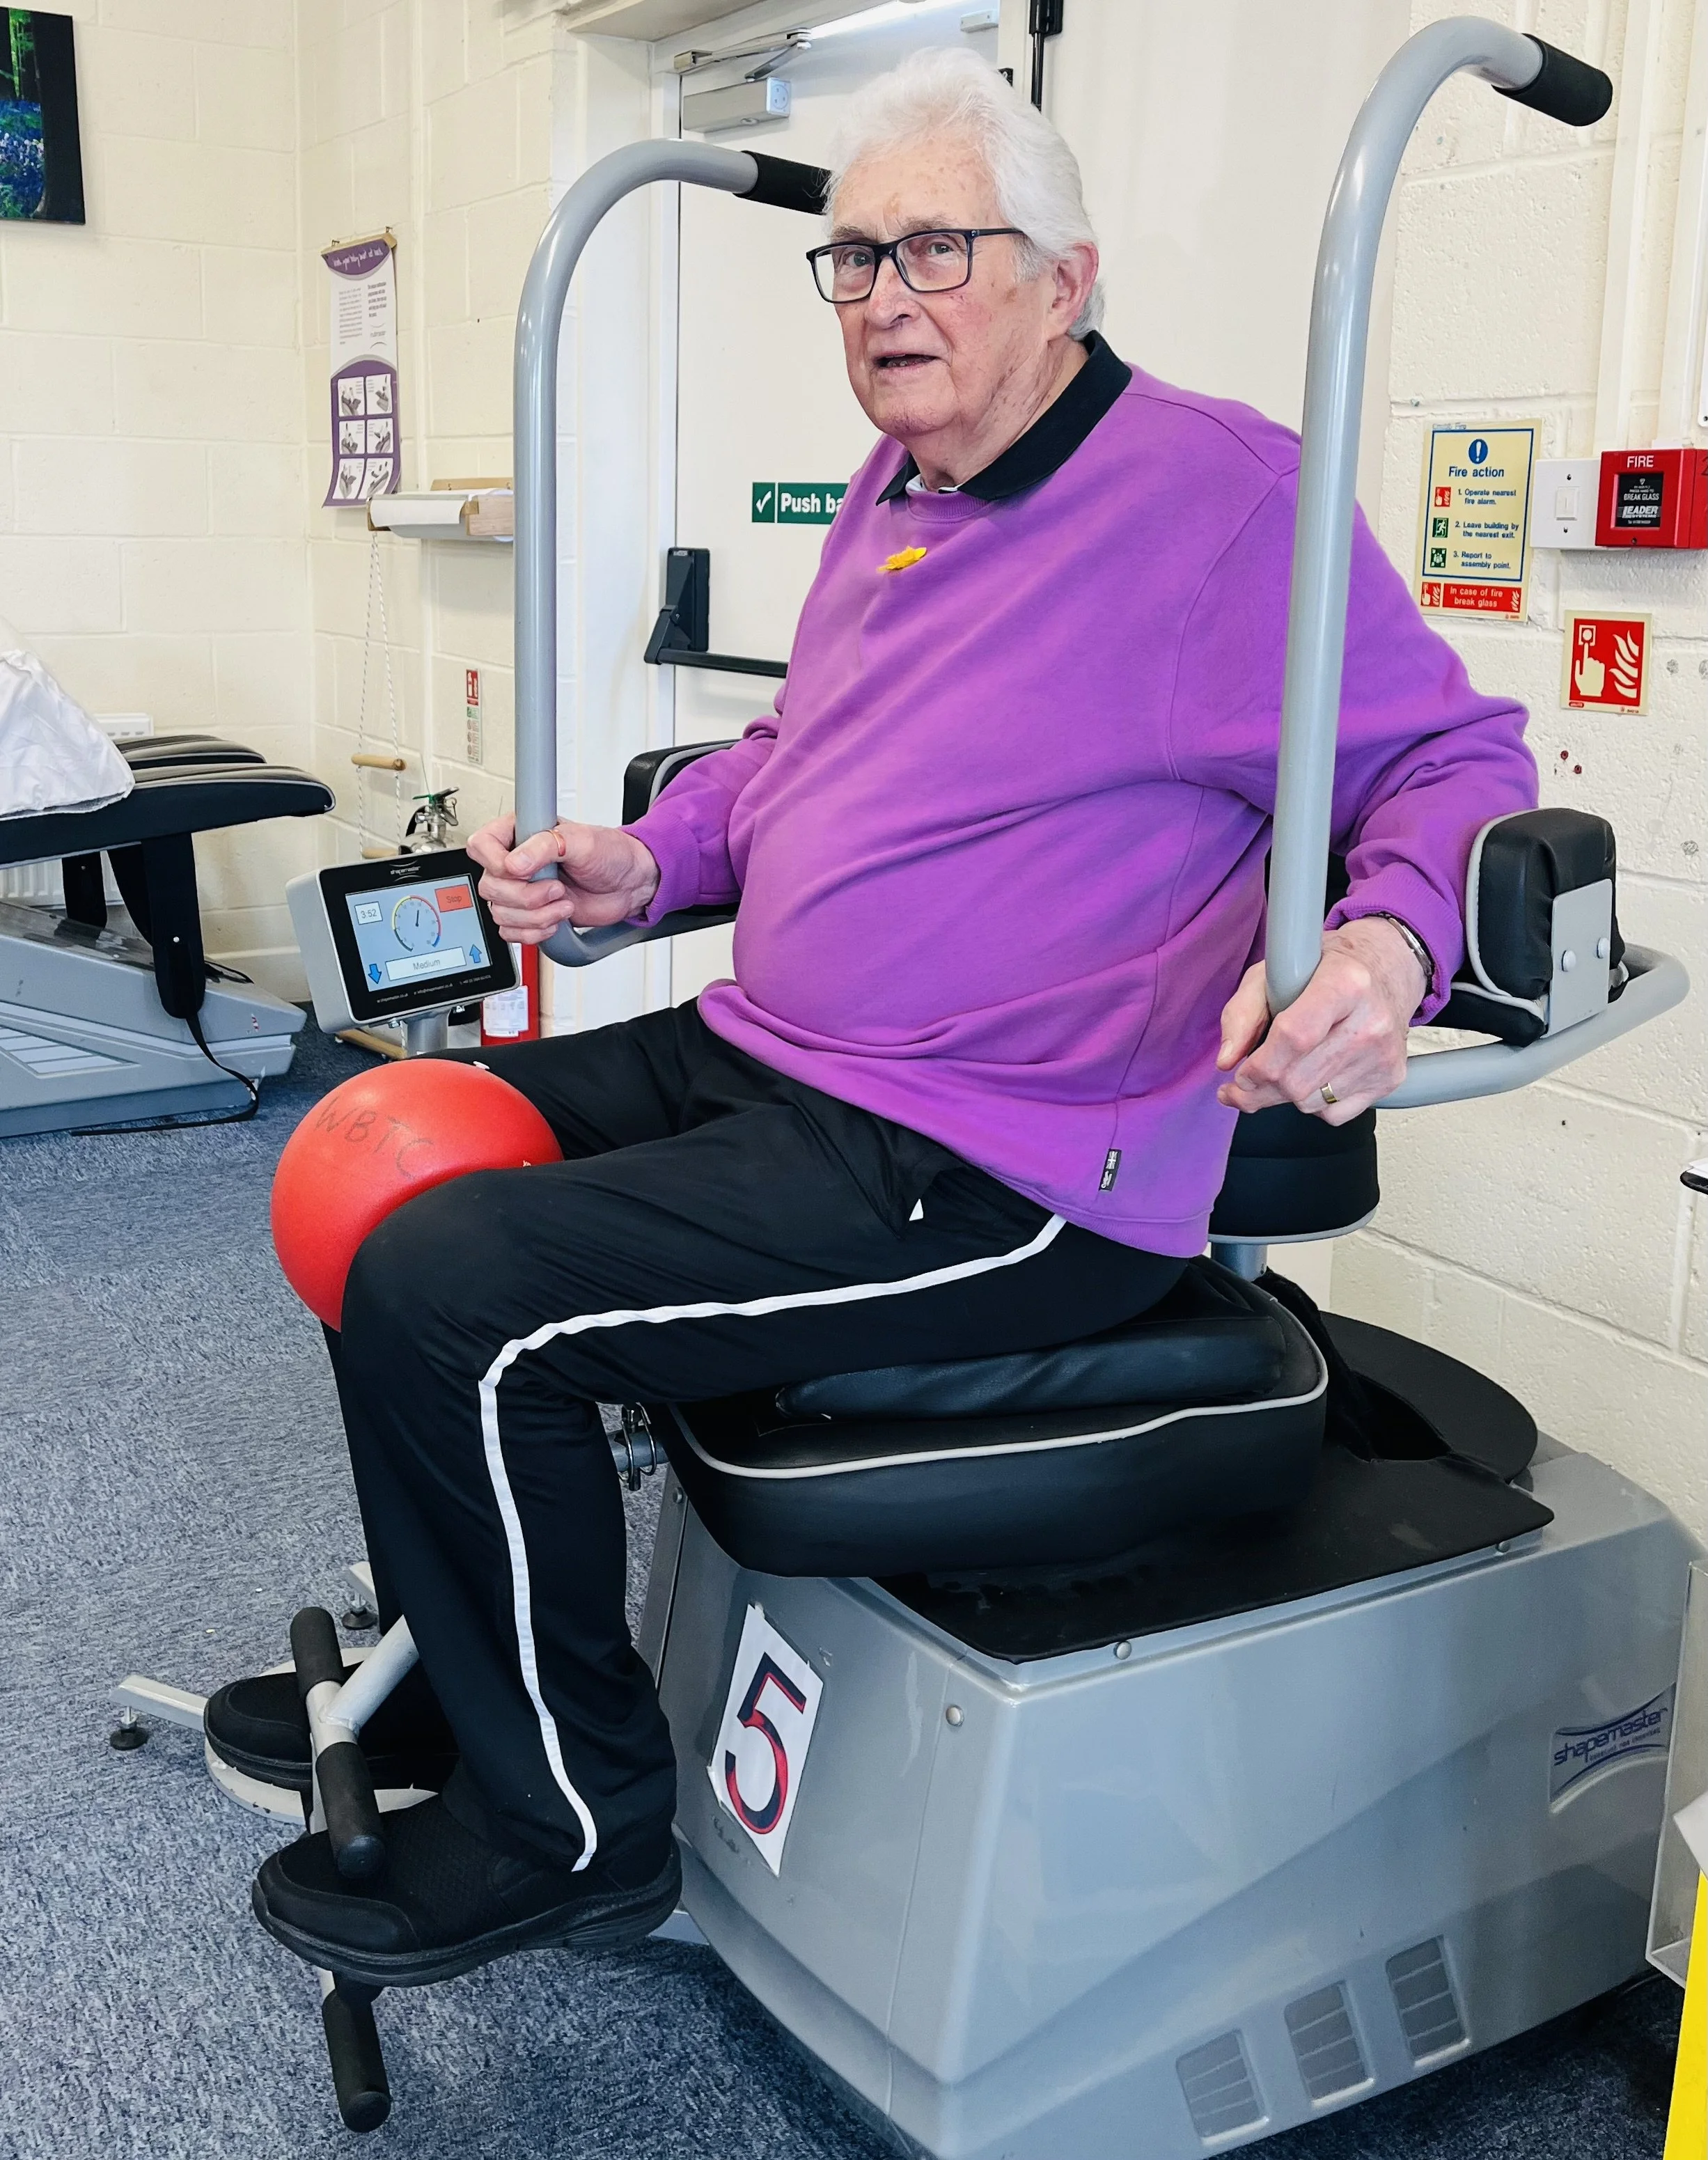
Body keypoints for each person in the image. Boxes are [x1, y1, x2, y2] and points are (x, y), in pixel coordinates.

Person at [233, 47, 1535, 1985]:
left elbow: (1453, 758)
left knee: (453, 1284)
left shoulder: (1224, 503)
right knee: (377, 1156)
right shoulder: (898, 481)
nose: (882, 299)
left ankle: (568, 1826)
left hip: (1002, 1153)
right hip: (776, 1054)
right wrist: (647, 866)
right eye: (850, 261)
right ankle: (481, 1673)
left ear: (1064, 279)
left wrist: (1381, 950)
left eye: (937, 249)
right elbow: (793, 759)